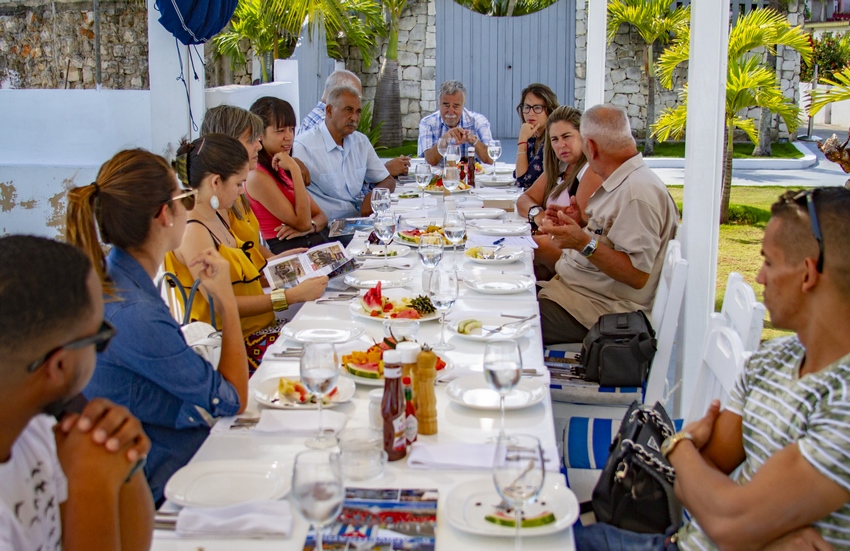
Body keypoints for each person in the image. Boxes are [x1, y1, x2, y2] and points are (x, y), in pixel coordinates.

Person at [575, 187, 850, 550]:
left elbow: (724, 518)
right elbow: (696, 483)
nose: (760, 277)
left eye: (768, 261)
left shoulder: (841, 401)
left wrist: (679, 447)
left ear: (807, 274)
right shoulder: (774, 359)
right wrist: (686, 451)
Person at [64, 148, 250, 506]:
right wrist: (225, 301)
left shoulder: (113, 277)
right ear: (165, 214)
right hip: (163, 484)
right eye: (185, 197)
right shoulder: (136, 313)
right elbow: (232, 399)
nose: (189, 206)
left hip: (162, 455)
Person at [0, 235, 154, 551]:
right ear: (59, 365)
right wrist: (92, 485)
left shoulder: (38, 431)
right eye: (100, 335)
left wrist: (125, 463)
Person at [165, 135, 327, 372]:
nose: (242, 192)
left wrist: (275, 265)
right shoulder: (193, 232)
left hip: (260, 329)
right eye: (239, 184)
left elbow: (239, 277)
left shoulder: (217, 215)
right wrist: (290, 296)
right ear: (216, 182)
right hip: (235, 345)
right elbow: (223, 305)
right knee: (323, 357)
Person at [537, 104, 678, 345]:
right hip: (574, 294)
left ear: (590, 146)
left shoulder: (636, 193)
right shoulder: (622, 180)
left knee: (503, 321)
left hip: (596, 312)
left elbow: (636, 274)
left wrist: (582, 243)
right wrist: (579, 222)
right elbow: (609, 238)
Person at [516, 106, 604, 281]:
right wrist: (538, 215)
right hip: (556, 242)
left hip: (581, 255)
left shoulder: (590, 171)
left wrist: (551, 229)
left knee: (521, 250)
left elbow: (585, 227)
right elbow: (524, 199)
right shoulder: (559, 167)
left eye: (566, 137)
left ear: (583, 136)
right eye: (554, 139)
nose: (560, 145)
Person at [293, 84, 396, 224]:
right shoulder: (304, 146)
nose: (354, 117)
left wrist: (373, 197)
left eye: (358, 111)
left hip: (360, 222)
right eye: (348, 110)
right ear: (329, 111)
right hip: (326, 228)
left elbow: (388, 180)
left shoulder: (361, 142)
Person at [247, 96, 331, 255]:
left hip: (315, 244)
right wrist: (295, 169)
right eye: (280, 131)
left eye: (291, 129)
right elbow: (302, 222)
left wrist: (309, 228)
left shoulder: (281, 166)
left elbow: (321, 217)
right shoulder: (257, 176)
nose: (289, 136)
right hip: (292, 254)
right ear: (259, 134)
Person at [299, 69, 411, 178]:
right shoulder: (322, 126)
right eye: (353, 94)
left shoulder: (326, 120)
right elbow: (341, 182)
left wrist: (381, 171)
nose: (354, 116)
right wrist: (387, 169)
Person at [418, 80, 494, 167]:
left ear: (463, 105)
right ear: (439, 104)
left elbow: (491, 159)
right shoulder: (428, 123)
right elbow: (430, 160)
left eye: (456, 106)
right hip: (438, 179)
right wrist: (444, 140)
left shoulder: (478, 121)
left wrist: (473, 140)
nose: (450, 111)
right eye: (446, 105)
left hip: (473, 178)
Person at [513, 83, 559, 190]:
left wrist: (522, 141)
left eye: (537, 108)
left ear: (549, 110)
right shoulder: (533, 135)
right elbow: (518, 174)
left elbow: (524, 181)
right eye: (527, 107)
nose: (530, 113)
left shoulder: (552, 138)